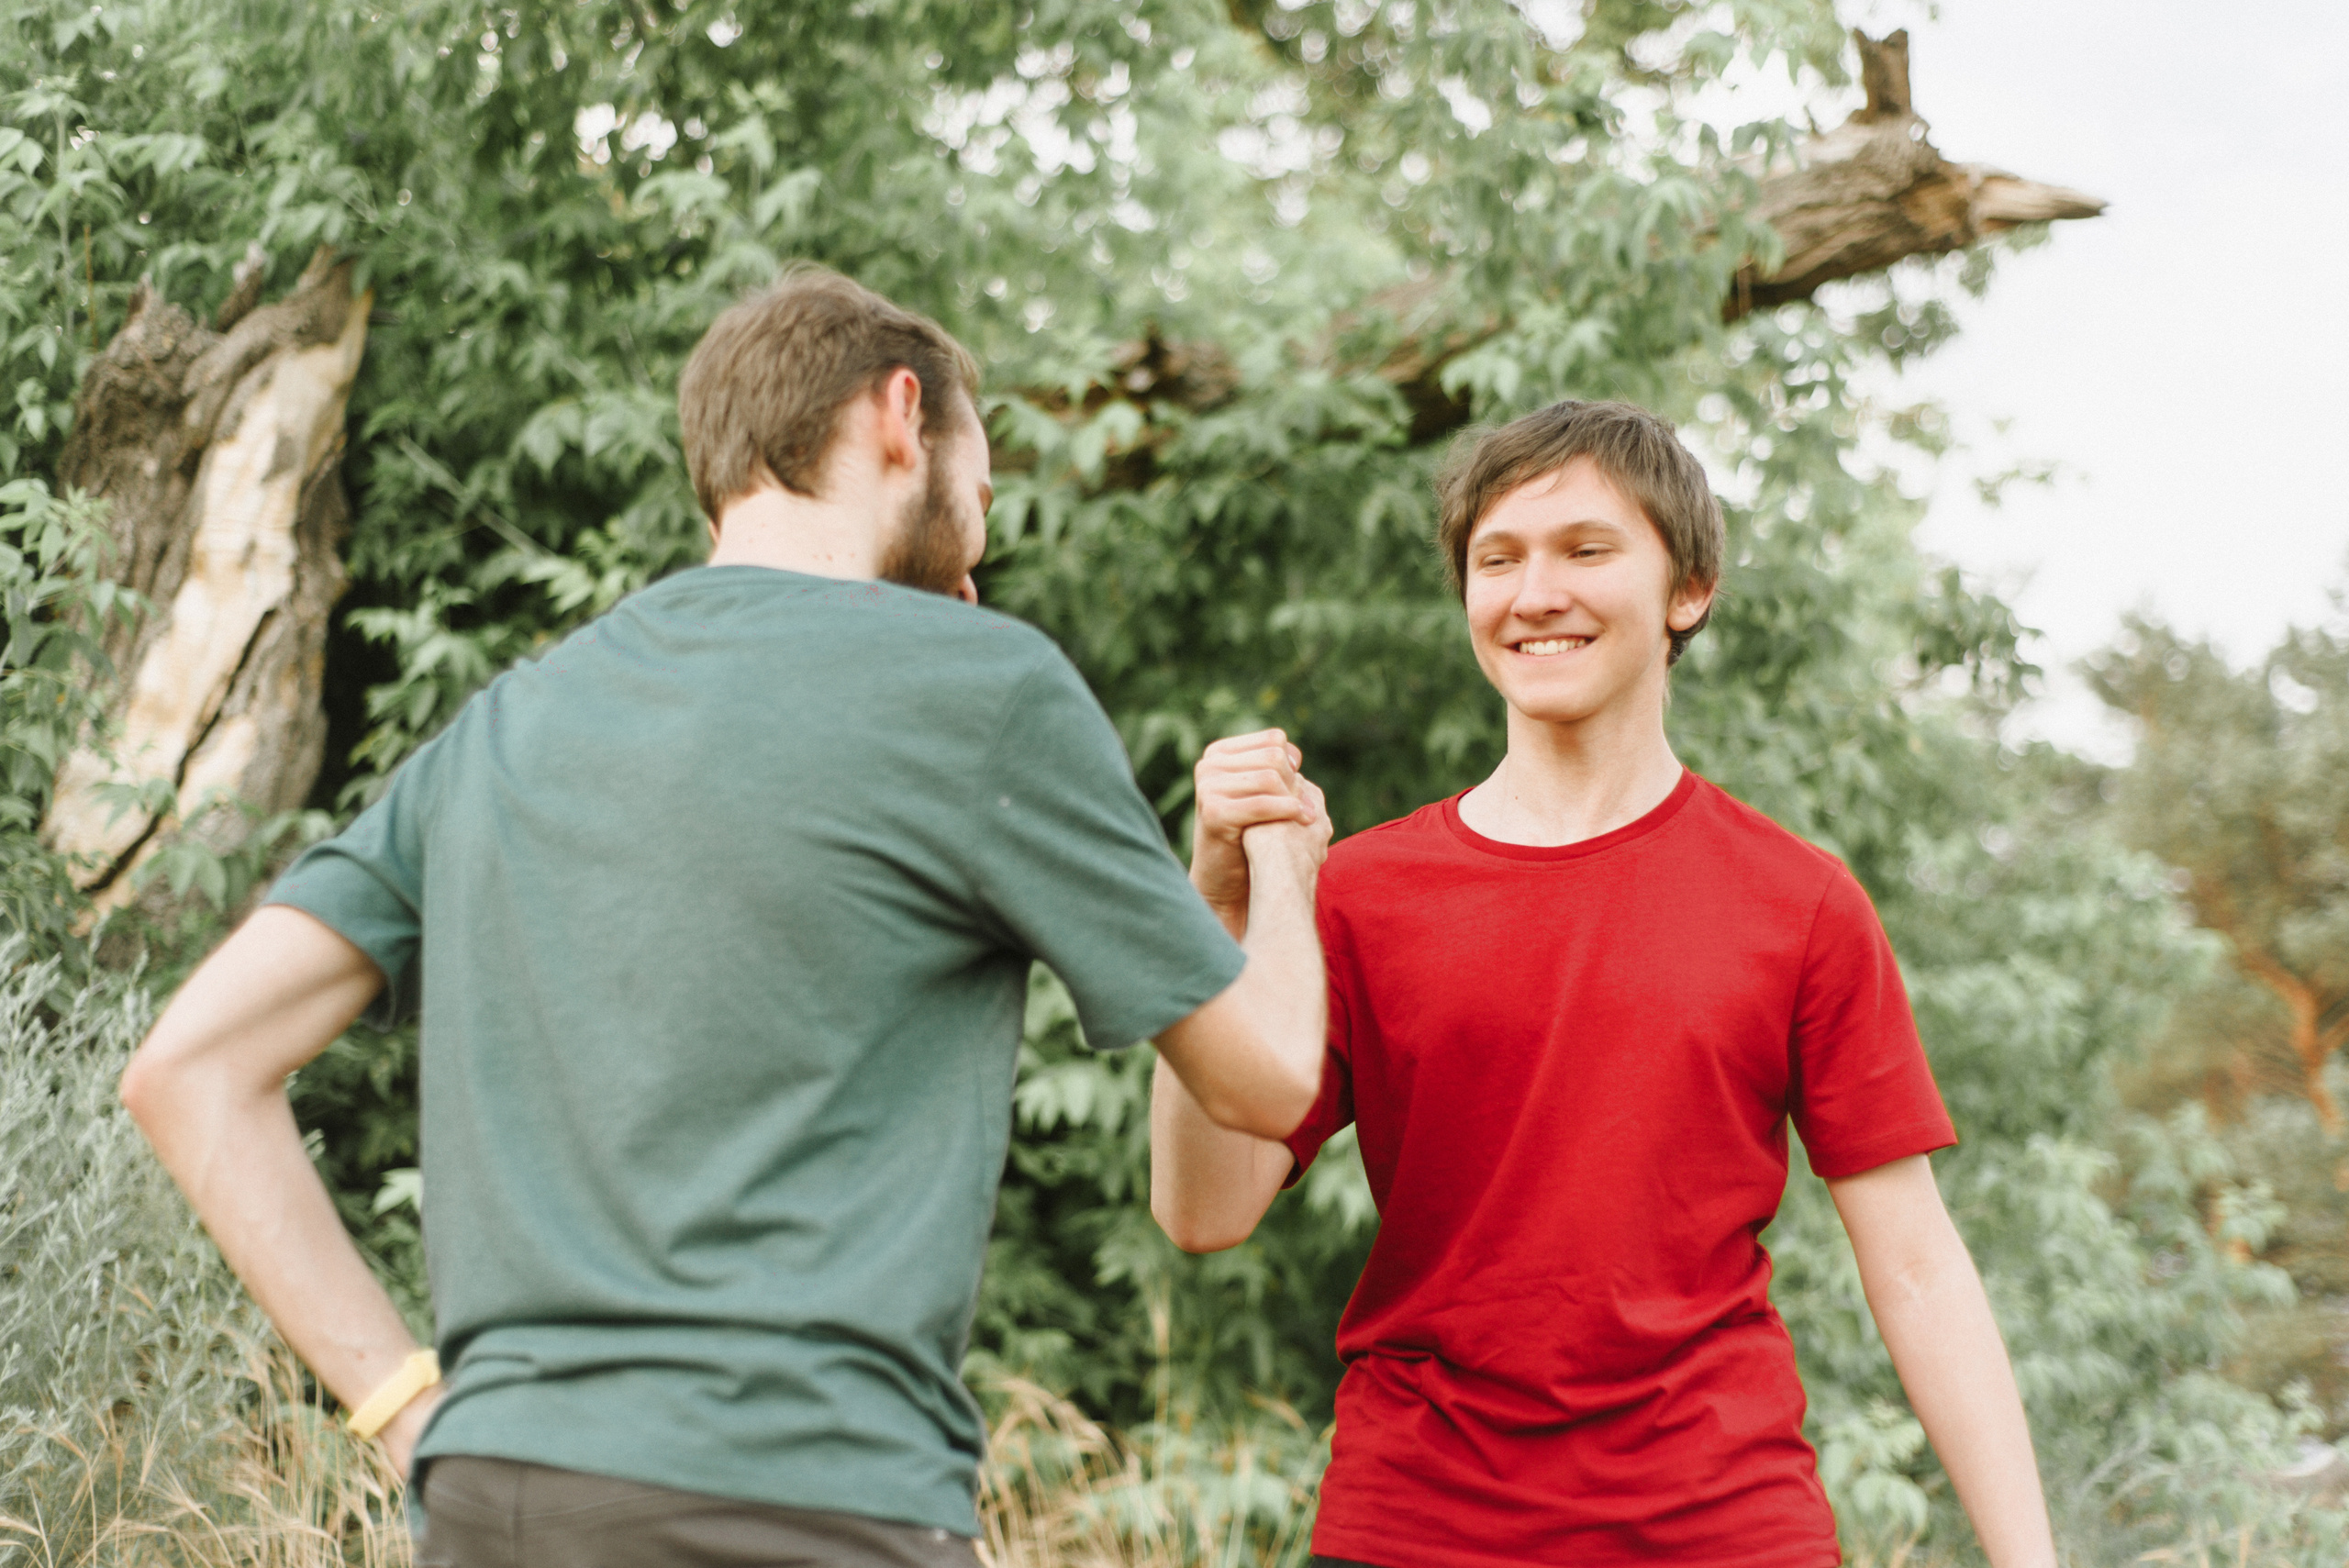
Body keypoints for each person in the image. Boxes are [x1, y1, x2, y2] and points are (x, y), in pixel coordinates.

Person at [120, 265, 1330, 1568]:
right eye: (982, 479)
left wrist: (401, 1405)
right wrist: (1281, 870)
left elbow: (187, 1071)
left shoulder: (510, 723)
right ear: (898, 412)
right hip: (804, 1498)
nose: (985, 520)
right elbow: (1264, 1082)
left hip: (500, 1500)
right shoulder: (983, 687)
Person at [1151, 399, 2059, 1568]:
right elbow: (1202, 1209)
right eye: (1497, 559)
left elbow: (1919, 1263)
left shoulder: (1800, 902)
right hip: (1416, 1525)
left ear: (1688, 589)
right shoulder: (1361, 895)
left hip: (1722, 1528)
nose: (1534, 592)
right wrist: (1215, 915)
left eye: (1585, 549)